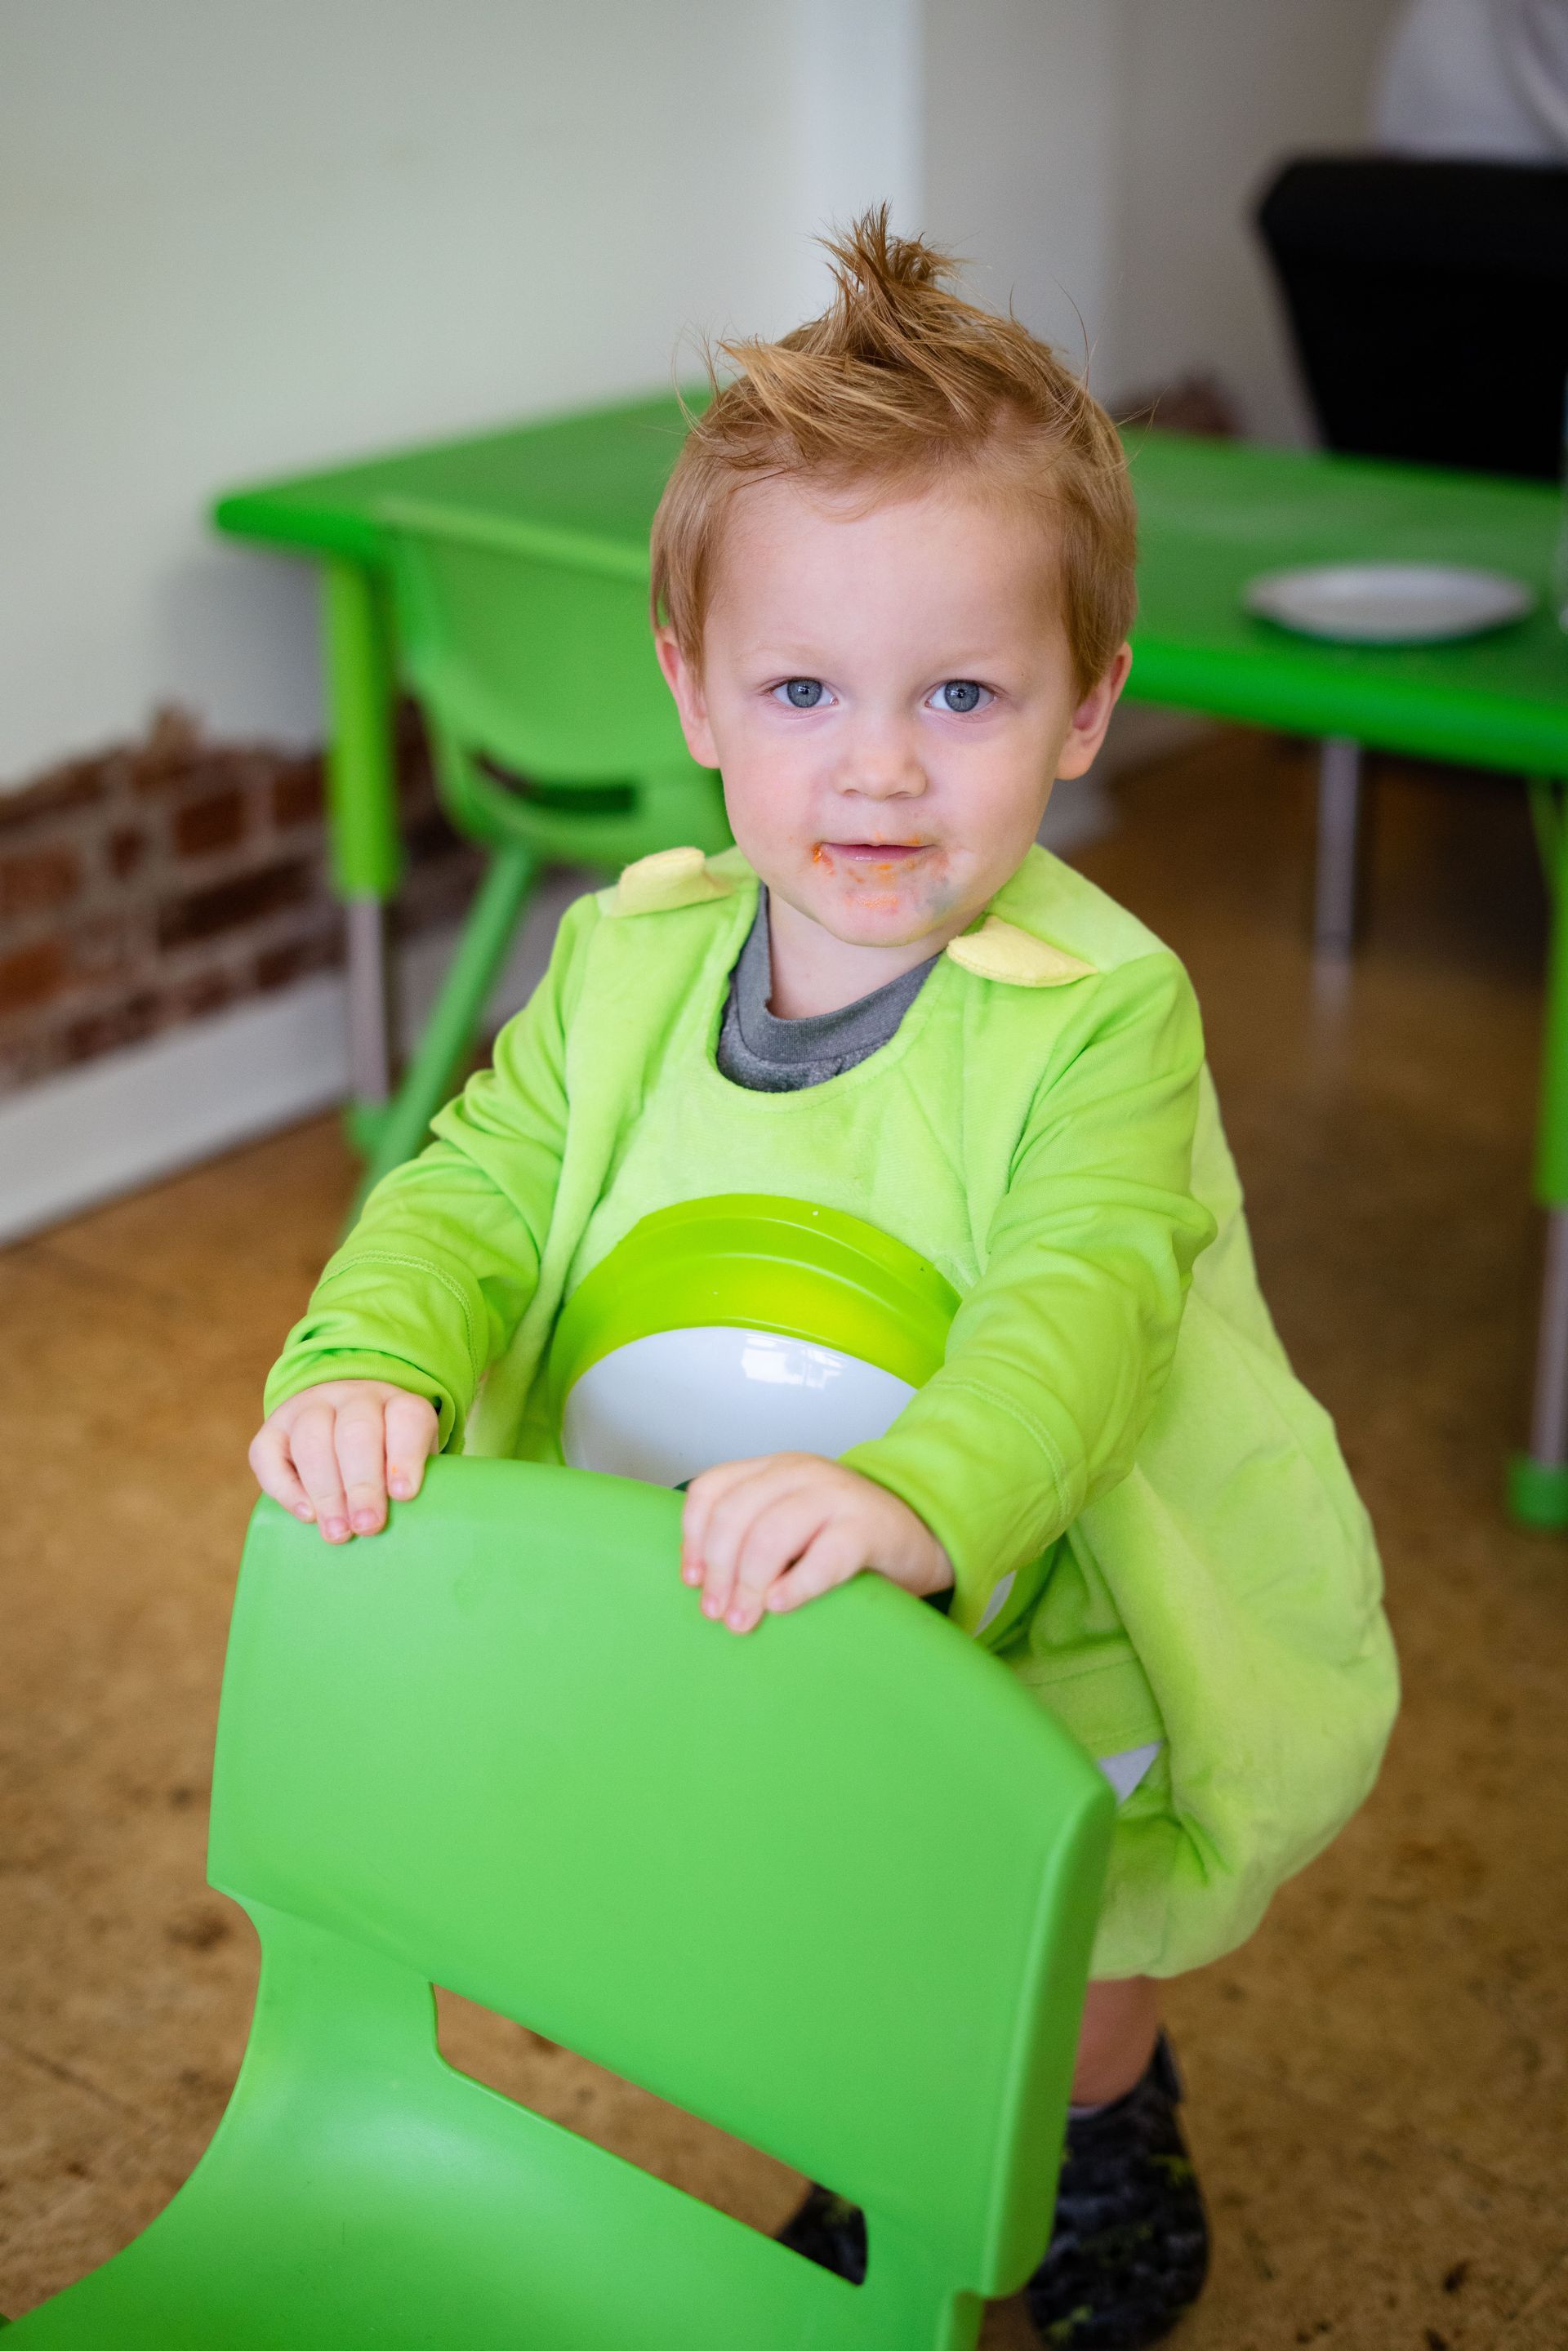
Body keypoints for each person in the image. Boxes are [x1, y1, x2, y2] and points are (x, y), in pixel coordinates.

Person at [251, 212, 1398, 2350]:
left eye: (961, 693)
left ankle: (1105, 2140)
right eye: (804, 691)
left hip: (1028, 1599)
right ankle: (890, 2135)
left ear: (1084, 709)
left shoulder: (1095, 1017)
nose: (878, 765)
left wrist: (926, 1498)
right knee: (817, 1901)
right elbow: (476, 1185)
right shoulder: (631, 956)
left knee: (1037, 1948)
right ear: (692, 691)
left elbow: (1082, 1301)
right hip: (711, 1576)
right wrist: (369, 1349)